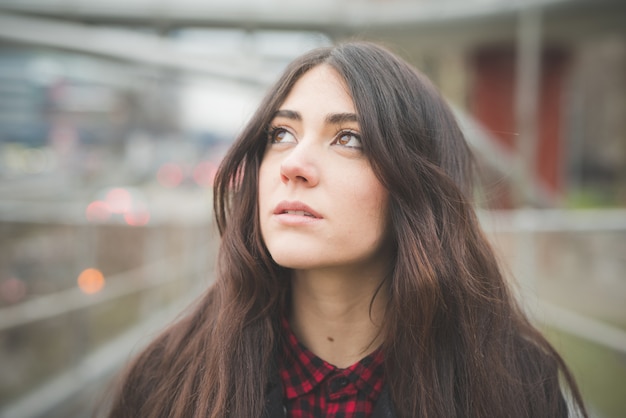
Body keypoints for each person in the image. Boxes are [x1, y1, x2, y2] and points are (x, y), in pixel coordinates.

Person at [107, 41, 587, 418]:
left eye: (348, 138)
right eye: (281, 134)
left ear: (416, 186)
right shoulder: (167, 378)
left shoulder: (512, 385)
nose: (293, 164)